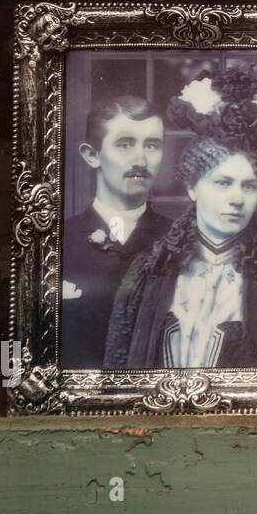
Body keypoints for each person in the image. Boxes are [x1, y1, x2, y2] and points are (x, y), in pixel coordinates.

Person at [103, 67, 257, 369]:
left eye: (249, 186)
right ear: (192, 187)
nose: (236, 199)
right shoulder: (145, 273)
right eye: (223, 182)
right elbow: (116, 371)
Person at [60, 95, 170, 368]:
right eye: (124, 144)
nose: (141, 159)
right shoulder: (57, 241)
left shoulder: (180, 241)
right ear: (92, 155)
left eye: (152, 145)